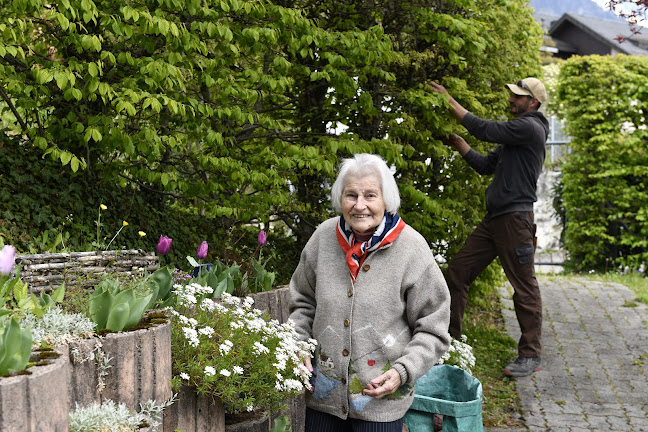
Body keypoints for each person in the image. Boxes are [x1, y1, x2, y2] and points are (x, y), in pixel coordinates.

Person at [289, 153, 451, 431]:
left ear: (386, 200)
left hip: (381, 403)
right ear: (341, 199)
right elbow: (302, 303)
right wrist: (299, 344)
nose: (359, 205)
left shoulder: (412, 249)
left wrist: (403, 372)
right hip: (322, 397)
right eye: (351, 195)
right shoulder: (323, 238)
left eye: (370, 196)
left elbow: (433, 328)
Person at [428, 78, 549, 377]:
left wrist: (450, 101)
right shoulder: (515, 139)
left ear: (533, 103)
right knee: (458, 271)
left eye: (519, 97)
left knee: (524, 287)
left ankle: (530, 355)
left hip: (515, 222)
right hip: (495, 221)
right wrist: (458, 144)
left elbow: (483, 128)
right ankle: (449, 342)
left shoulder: (530, 127)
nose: (512, 100)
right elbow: (485, 165)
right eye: (512, 95)